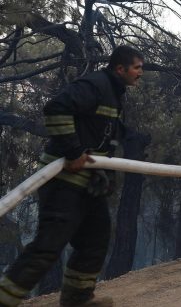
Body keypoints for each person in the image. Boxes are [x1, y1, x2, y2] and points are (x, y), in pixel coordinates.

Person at [0, 46, 144, 307]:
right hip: (63, 182)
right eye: (137, 67)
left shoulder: (113, 92)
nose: (140, 73)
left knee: (95, 239)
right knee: (47, 247)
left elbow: (103, 134)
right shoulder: (95, 85)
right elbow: (56, 109)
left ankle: (77, 299)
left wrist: (108, 172)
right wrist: (73, 151)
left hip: (87, 183)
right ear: (120, 68)